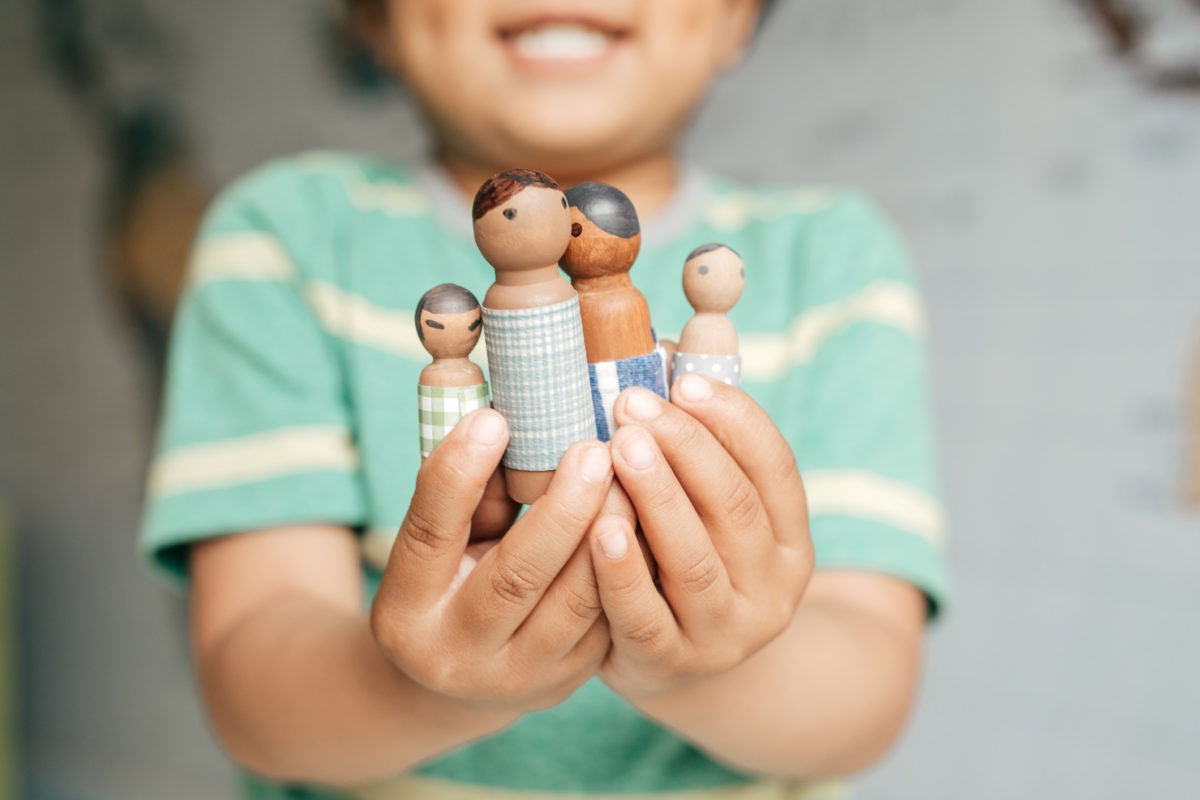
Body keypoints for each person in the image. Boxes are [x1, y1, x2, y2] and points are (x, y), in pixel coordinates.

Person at [141, 2, 950, 798]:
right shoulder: (287, 235)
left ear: (738, 17)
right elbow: (255, 695)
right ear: (372, 17)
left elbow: (866, 698)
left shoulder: (835, 260)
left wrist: (687, 664)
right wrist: (430, 681)